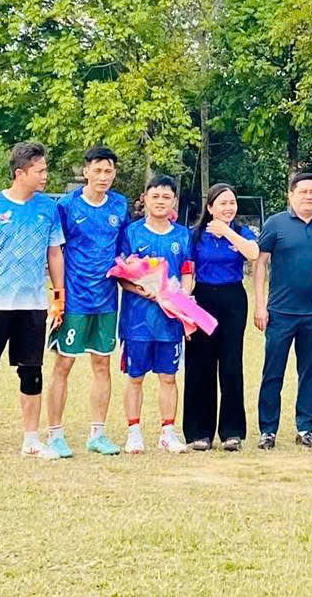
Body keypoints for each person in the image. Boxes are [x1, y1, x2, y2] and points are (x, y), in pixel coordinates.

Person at [0, 141, 66, 462]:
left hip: (32, 305)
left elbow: (54, 253)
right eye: (40, 171)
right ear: (20, 173)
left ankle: (31, 440)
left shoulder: (48, 208)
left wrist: (58, 296)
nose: (45, 175)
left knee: (32, 373)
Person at [48, 146, 126, 458]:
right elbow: (55, 250)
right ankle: (55, 434)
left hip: (107, 300)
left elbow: (123, 251)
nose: (103, 176)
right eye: (98, 170)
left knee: (102, 363)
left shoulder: (119, 205)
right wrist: (58, 294)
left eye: (108, 171)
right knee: (63, 364)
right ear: (86, 172)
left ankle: (98, 434)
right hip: (74, 299)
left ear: (114, 174)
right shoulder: (67, 205)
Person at [254, 171, 312, 449]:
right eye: (303, 192)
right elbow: (260, 263)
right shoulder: (276, 224)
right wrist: (260, 305)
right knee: (273, 373)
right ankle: (268, 431)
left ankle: (305, 428)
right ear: (290, 195)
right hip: (280, 313)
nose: (309, 197)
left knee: (309, 373)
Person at [115, 176, 193, 453]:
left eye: (166, 197)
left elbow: (187, 271)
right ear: (145, 199)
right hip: (137, 320)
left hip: (169, 320)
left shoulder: (183, 235)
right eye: (155, 196)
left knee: (168, 376)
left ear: (174, 201)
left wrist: (182, 299)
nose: (160, 201)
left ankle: (168, 433)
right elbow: (120, 273)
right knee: (135, 377)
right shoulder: (131, 232)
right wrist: (140, 288)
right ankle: (134, 432)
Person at [185, 183, 257, 451]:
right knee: (200, 365)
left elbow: (253, 254)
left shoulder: (240, 231)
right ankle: (199, 432)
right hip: (202, 298)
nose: (229, 207)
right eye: (222, 203)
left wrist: (226, 231)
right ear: (210, 207)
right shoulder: (195, 235)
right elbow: (187, 271)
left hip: (233, 299)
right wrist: (185, 307)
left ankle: (232, 431)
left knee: (230, 365)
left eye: (232, 203)